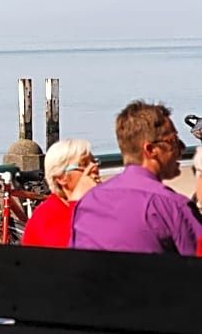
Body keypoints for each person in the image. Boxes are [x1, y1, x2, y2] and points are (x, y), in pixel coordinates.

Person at [70, 100, 202, 255]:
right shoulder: (174, 207)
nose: (182, 147)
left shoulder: (88, 202)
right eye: (173, 141)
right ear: (151, 150)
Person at [21, 139, 100, 248]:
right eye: (84, 164)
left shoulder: (98, 204)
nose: (94, 168)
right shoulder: (48, 217)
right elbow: (75, 251)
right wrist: (76, 202)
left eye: (94, 162)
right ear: (61, 178)